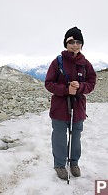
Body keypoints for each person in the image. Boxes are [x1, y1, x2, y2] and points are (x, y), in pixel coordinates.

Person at [45, 27, 96, 180]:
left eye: (78, 42)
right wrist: (66, 89)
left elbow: (92, 83)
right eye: (71, 41)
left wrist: (80, 87)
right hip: (60, 108)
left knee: (75, 138)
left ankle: (74, 163)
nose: (75, 44)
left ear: (82, 44)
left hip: (78, 108)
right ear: (66, 43)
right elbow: (49, 83)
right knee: (59, 137)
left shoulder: (85, 64)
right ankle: (60, 165)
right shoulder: (57, 62)